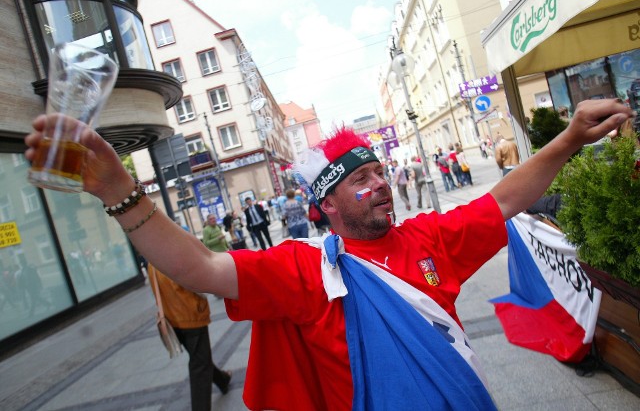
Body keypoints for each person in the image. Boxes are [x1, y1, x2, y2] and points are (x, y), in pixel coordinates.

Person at [24, 99, 634, 410]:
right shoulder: (303, 269)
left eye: (380, 171)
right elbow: (200, 268)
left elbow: (503, 198)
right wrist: (119, 191)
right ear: (329, 204)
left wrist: (571, 138)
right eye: (361, 178)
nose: (381, 184)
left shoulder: (427, 239)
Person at [147, 264, 231, 410]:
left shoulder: (153, 259)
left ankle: (222, 379)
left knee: (200, 358)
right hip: (190, 315)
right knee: (200, 365)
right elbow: (195, 280)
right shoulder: (172, 253)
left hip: (172, 319)